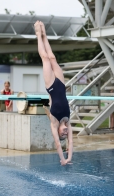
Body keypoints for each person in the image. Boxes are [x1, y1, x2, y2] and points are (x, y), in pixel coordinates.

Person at [34, 21, 73, 165]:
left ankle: (38, 35)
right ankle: (45, 35)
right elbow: (70, 143)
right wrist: (69, 158)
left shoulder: (54, 122)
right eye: (65, 135)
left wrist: (62, 159)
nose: (64, 133)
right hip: (61, 84)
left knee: (45, 58)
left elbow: (58, 144)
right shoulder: (68, 122)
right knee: (52, 58)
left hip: (51, 85)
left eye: (62, 135)